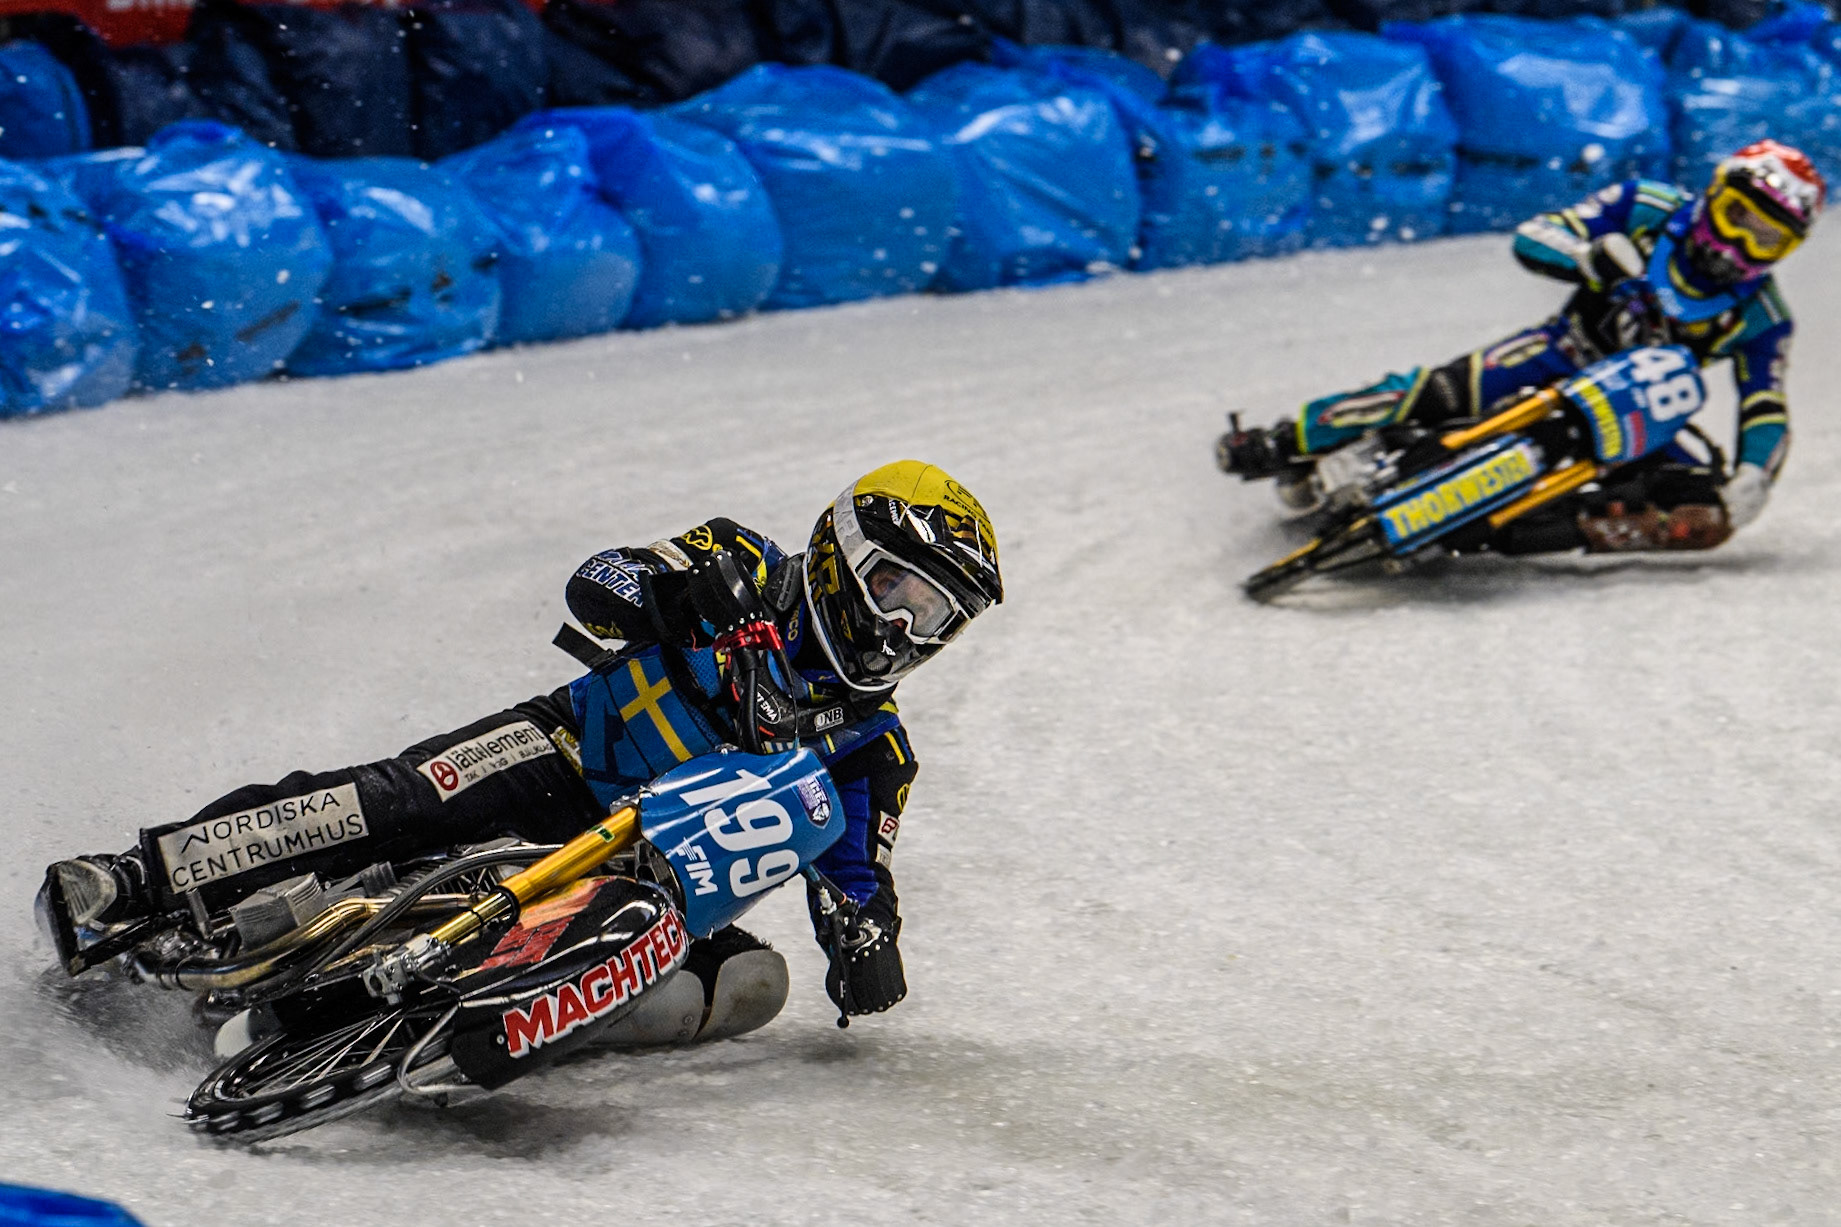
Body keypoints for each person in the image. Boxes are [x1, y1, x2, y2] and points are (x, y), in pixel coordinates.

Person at [40, 460, 1003, 1042]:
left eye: (935, 618)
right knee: (398, 798)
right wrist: (677, 598)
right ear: (838, 554)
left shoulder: (875, 751)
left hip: (653, 873)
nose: (903, 629)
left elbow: (858, 882)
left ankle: (421, 1025)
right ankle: (136, 876)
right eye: (895, 592)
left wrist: (866, 943)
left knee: (747, 985)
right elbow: (601, 579)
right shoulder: (742, 559)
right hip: (562, 752)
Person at [1217, 139, 1825, 555]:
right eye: (1736, 218)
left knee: (1699, 513)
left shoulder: (1763, 316)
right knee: (1434, 392)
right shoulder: (1646, 208)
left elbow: (1764, 403)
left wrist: (1755, 473)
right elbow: (1539, 235)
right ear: (1712, 198)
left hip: (1642, 415)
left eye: (1765, 240)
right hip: (1561, 353)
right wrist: (1587, 259)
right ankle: (1287, 440)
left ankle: (1524, 529)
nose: (1736, 247)